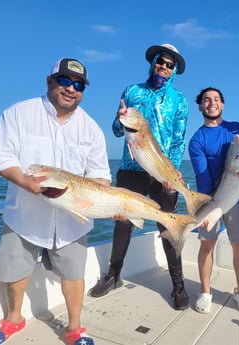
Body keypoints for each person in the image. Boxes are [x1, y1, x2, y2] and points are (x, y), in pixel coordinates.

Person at [0, 58, 111, 345]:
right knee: (14, 269)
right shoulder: (17, 113)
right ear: (49, 81)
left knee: (73, 273)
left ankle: (75, 328)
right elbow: (0, 157)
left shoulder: (91, 128)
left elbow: (101, 176)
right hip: (23, 214)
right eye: (65, 80)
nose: (71, 89)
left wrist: (112, 204)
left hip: (72, 219)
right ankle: (13, 319)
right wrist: (25, 183)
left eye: (78, 85)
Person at [89, 43, 190, 310]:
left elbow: (179, 141)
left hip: (161, 173)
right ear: (153, 62)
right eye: (161, 62)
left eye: (170, 65)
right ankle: (113, 276)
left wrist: (172, 170)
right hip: (130, 169)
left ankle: (178, 285)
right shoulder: (132, 91)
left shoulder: (180, 101)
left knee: (168, 226)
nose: (164, 67)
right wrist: (119, 117)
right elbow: (116, 130)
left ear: (174, 71)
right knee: (123, 223)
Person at [188, 87, 239, 314]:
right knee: (206, 245)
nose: (212, 103)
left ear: (223, 104)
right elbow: (202, 177)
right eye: (207, 100)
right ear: (200, 106)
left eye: (216, 99)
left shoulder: (236, 129)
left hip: (238, 200)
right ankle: (205, 292)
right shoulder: (197, 140)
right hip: (211, 200)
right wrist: (208, 210)